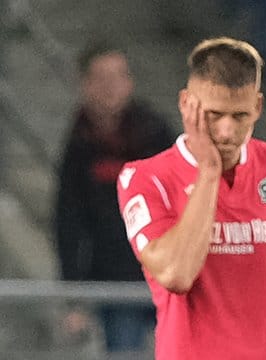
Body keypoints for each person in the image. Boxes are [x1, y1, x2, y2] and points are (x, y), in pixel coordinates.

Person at [116, 37, 266, 360]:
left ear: (258, 106)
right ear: (186, 103)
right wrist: (208, 173)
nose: (228, 131)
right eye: (214, 115)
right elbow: (175, 273)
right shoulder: (147, 178)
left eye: (240, 115)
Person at [54, 41, 175, 352]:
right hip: (113, 279)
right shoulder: (79, 145)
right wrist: (74, 298)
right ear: (85, 84)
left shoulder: (156, 134)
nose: (112, 87)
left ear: (130, 82)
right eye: (102, 78)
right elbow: (68, 222)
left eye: (118, 77)